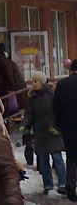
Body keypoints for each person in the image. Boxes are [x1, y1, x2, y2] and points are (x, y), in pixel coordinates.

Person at [20, 70, 66, 196]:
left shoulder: (52, 94)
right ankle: (48, 185)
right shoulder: (32, 98)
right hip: (40, 132)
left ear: (42, 82)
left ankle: (63, 184)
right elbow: (29, 114)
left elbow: (60, 112)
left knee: (57, 158)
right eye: (32, 82)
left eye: (36, 81)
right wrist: (24, 125)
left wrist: (57, 127)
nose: (33, 84)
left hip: (53, 131)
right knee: (43, 160)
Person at [53, 59, 77, 202]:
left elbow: (56, 106)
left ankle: (70, 183)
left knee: (72, 158)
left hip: (68, 128)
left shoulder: (62, 84)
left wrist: (61, 124)